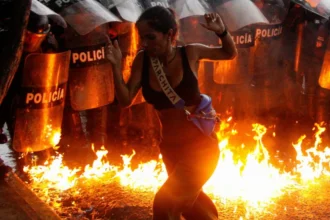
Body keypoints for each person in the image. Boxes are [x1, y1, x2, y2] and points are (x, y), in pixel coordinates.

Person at [106, 6, 237, 220]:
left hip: (201, 148)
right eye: (142, 38)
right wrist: (114, 66)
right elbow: (125, 99)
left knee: (165, 203)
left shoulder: (190, 53)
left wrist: (222, 32)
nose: (145, 44)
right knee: (191, 206)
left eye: (150, 37)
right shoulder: (143, 60)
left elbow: (229, 53)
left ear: (169, 34)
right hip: (171, 149)